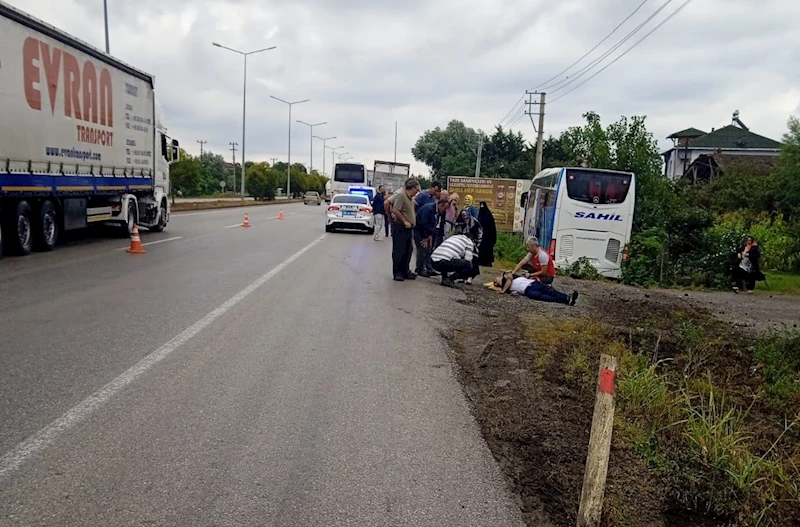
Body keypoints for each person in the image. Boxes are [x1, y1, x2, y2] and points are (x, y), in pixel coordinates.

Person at [391, 178, 420, 282]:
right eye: (416, 190)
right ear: (411, 188)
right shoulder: (401, 196)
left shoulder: (409, 199)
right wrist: (404, 221)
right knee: (400, 250)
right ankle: (398, 272)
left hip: (408, 228)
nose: (417, 193)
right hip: (401, 227)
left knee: (408, 250)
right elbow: (395, 210)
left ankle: (405, 271)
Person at [494, 271, 578, 306]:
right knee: (546, 297)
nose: (495, 283)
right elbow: (516, 292)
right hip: (527, 291)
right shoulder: (507, 289)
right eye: (495, 284)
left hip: (532, 284)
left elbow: (509, 279)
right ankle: (567, 299)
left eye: (495, 280)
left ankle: (567, 297)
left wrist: (503, 291)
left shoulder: (506, 276)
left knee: (550, 291)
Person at [414, 199, 450, 277]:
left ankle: (429, 268)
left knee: (429, 250)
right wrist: (425, 237)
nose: (445, 211)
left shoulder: (439, 211)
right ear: (441, 205)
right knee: (422, 249)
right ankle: (420, 269)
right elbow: (422, 224)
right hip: (420, 231)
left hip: (429, 232)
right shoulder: (428, 209)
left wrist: (430, 235)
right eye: (445, 208)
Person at [454, 210, 483, 284]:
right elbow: (456, 233)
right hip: (462, 243)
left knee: (474, 259)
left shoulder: (475, 223)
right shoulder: (459, 223)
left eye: (467, 218)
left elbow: (480, 234)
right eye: (465, 219)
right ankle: (463, 277)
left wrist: (476, 243)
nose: (466, 220)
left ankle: (470, 277)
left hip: (473, 243)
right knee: (463, 259)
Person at [477, 201, 497, 268]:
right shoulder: (480, 214)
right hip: (481, 238)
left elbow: (492, 229)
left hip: (487, 239)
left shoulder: (488, 215)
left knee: (487, 253)